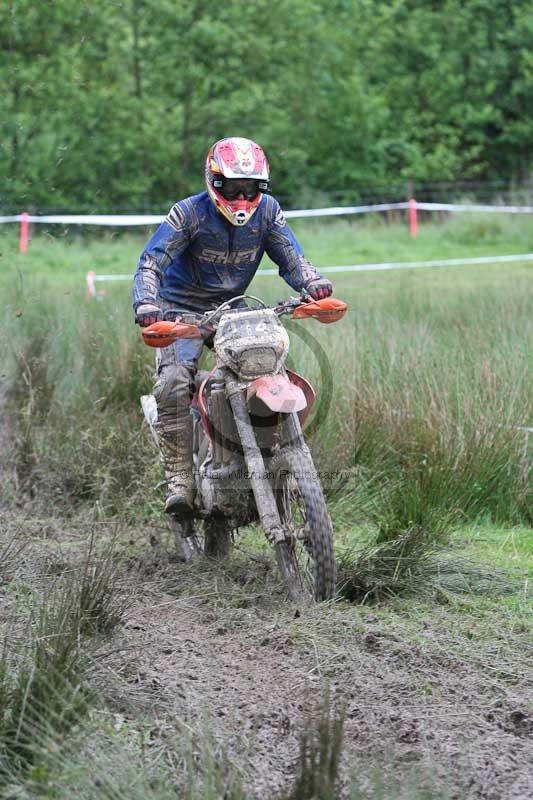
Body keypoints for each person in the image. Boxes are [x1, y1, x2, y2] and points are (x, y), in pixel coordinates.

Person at [132, 136, 333, 514]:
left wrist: (312, 282)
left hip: (232, 309)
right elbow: (151, 263)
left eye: (251, 188)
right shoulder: (187, 214)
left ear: (263, 186)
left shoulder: (269, 212)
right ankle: (180, 477)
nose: (242, 199)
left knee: (267, 365)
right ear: (214, 181)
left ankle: (270, 452)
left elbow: (292, 257)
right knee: (175, 382)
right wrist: (146, 302)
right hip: (180, 311)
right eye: (232, 188)